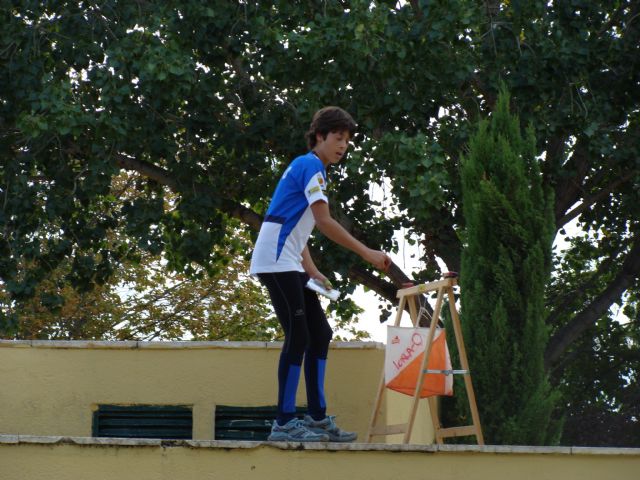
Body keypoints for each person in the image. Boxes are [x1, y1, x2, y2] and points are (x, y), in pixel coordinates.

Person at [250, 106, 391, 442]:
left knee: (321, 333)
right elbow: (324, 221)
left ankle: (316, 418)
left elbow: (298, 225)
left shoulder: (311, 169)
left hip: (288, 259)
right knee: (298, 335)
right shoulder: (311, 165)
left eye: (347, 140)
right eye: (337, 138)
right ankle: (283, 423)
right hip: (274, 259)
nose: (343, 146)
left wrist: (311, 269)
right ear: (319, 137)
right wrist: (366, 252)